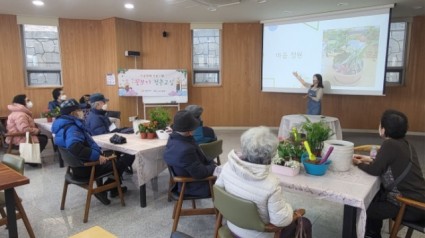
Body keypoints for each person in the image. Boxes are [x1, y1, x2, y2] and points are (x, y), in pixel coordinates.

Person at [215, 126, 304, 238]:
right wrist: (291, 209)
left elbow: (220, 191)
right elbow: (280, 222)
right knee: (304, 223)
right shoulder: (271, 184)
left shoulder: (227, 167)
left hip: (232, 226)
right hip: (258, 235)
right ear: (271, 155)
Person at [352, 109, 425, 238]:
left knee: (362, 207)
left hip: (407, 205)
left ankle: (371, 235)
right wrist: (368, 160)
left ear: (384, 129)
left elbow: (375, 170)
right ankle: (373, 233)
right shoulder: (406, 144)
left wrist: (358, 163)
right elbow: (390, 162)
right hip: (419, 200)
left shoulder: (389, 144)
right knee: (375, 195)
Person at [52, 99, 127, 205]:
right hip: (87, 168)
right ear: (73, 112)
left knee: (113, 157)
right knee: (121, 161)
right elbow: (74, 146)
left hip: (75, 167)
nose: (82, 112)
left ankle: (113, 188)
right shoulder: (72, 128)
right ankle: (103, 190)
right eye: (79, 110)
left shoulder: (61, 125)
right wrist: (96, 156)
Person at [164, 110, 217, 197]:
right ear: (190, 131)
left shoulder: (173, 139)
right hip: (193, 185)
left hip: (186, 180)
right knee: (232, 184)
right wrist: (214, 167)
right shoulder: (186, 150)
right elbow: (200, 173)